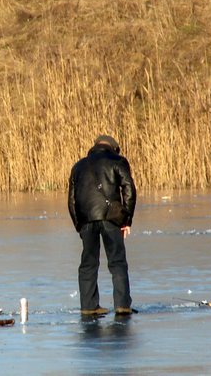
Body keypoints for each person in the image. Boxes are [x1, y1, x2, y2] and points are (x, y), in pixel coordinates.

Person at [68, 134, 137, 316]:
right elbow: (129, 189)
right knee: (117, 263)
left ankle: (89, 307)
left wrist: (79, 225)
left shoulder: (78, 166)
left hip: (86, 221)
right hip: (111, 219)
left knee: (88, 265)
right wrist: (126, 219)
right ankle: (122, 306)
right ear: (113, 147)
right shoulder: (118, 161)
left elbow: (71, 200)